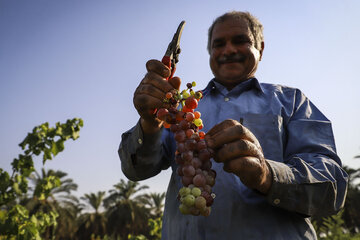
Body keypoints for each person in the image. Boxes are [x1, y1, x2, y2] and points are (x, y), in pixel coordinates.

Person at [119, 11, 348, 239]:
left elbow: (333, 188)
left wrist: (267, 175)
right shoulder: (179, 109)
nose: (228, 50)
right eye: (218, 44)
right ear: (210, 53)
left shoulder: (292, 102)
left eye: (240, 41)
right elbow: (135, 169)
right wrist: (149, 122)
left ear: (261, 48)